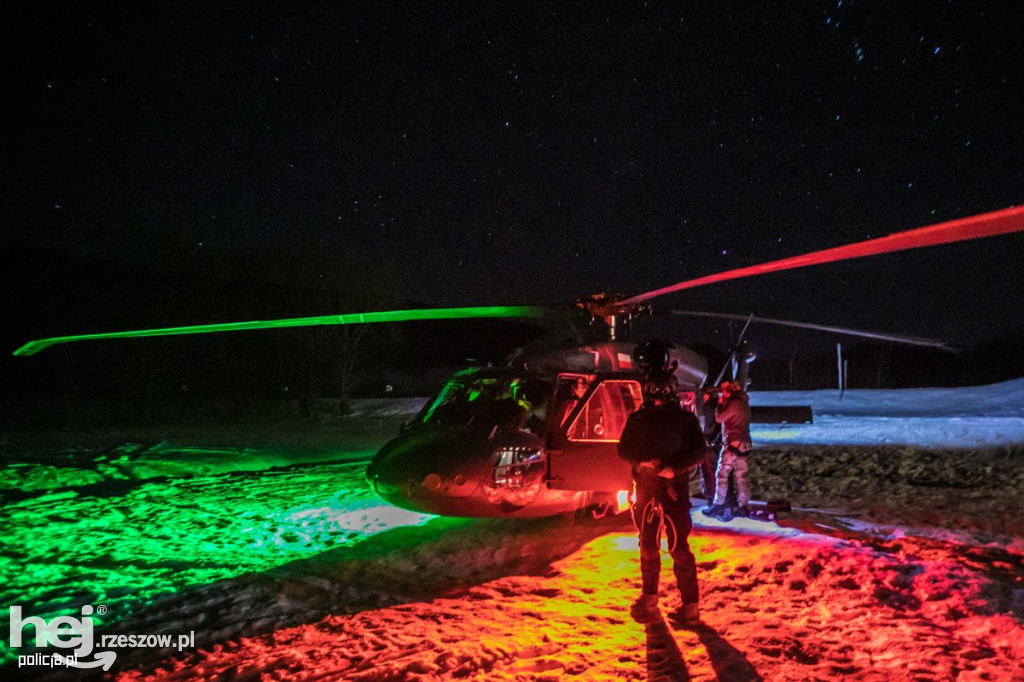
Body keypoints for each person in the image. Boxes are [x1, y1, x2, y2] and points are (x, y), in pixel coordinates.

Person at [618, 368, 708, 625]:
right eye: (653, 389)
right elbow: (623, 449)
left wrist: (674, 468)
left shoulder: (685, 420)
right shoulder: (638, 419)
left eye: (662, 389)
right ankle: (649, 596)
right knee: (647, 544)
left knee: (678, 547)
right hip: (645, 489)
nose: (657, 394)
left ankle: (690, 605)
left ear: (672, 389)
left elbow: (698, 451)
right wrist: (640, 462)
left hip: (674, 491)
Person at [707, 380, 753, 518]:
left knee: (722, 475)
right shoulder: (744, 403)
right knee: (741, 476)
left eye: (725, 390)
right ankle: (743, 505)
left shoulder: (733, 403)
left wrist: (720, 405)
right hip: (744, 444)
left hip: (733, 443)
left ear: (730, 391)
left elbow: (720, 418)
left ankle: (718, 504)